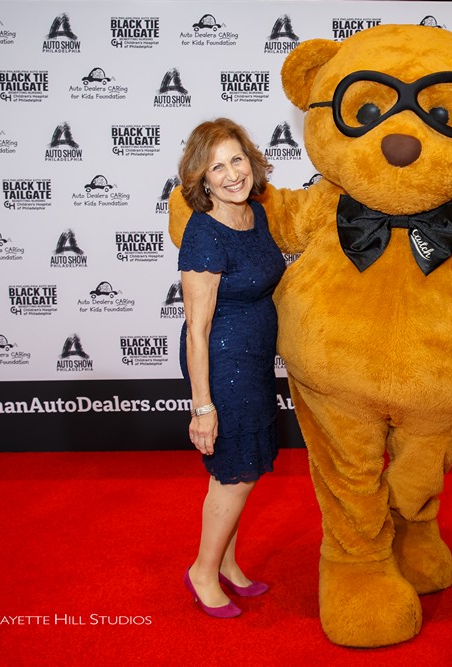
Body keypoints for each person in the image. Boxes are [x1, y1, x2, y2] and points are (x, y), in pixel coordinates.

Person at [176, 118, 286, 618]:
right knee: (234, 475)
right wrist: (203, 407)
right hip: (223, 363)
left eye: (236, 159)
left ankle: (228, 563)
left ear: (251, 159)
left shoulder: (254, 216)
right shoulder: (203, 233)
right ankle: (202, 569)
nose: (230, 174)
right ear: (201, 179)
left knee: (244, 469)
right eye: (215, 167)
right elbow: (196, 328)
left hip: (256, 356)